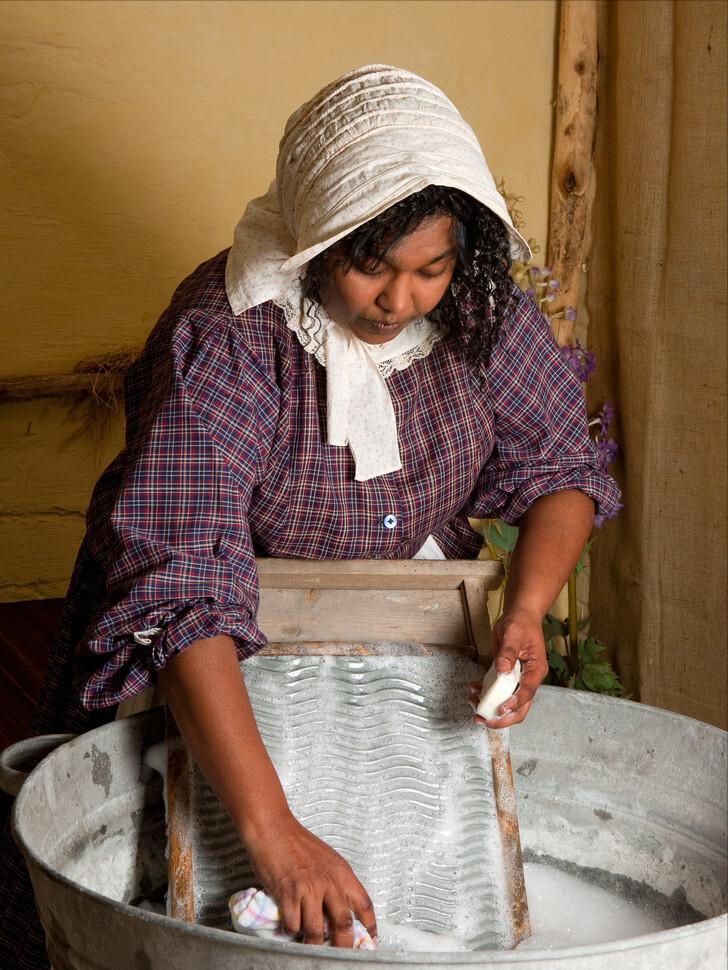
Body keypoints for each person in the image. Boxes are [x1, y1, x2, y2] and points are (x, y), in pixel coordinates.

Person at [0, 65, 620, 964]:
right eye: (371, 266)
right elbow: (184, 593)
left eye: (430, 270)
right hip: (215, 679)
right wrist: (274, 836)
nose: (399, 300)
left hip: (406, 658)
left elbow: (560, 467)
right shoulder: (229, 340)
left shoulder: (484, 313)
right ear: (317, 238)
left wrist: (524, 609)